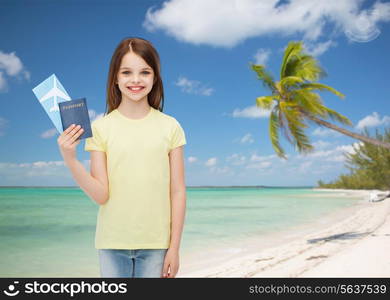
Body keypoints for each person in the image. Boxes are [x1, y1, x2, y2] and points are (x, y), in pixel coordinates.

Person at [57, 37, 187, 278]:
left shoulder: (171, 127)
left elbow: (177, 191)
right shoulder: (100, 129)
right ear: (115, 78)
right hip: (111, 244)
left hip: (157, 244)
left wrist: (175, 248)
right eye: (126, 72)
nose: (135, 80)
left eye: (144, 72)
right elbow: (101, 194)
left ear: (155, 77)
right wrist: (71, 159)